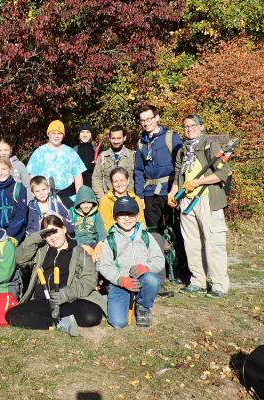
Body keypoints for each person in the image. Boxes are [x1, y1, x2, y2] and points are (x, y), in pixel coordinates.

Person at [7, 214, 105, 335]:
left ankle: (55, 319)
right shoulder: (40, 250)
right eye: (47, 234)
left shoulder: (80, 252)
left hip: (67, 301)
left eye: (55, 231)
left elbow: (89, 279)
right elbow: (20, 258)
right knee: (13, 315)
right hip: (42, 301)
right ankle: (57, 323)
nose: (52, 237)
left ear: (64, 229)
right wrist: (37, 237)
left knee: (92, 315)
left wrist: (66, 294)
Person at [168, 115, 230, 298]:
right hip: (187, 201)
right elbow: (179, 175)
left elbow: (222, 174)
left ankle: (219, 285)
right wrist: (173, 193)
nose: (189, 129)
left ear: (201, 126)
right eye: (186, 126)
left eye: (193, 126)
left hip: (207, 200)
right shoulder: (182, 150)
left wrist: (198, 182)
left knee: (213, 243)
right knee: (192, 243)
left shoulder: (211, 145)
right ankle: (198, 281)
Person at [98, 196, 164, 328]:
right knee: (118, 323)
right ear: (115, 218)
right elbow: (104, 266)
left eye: (130, 214)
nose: (126, 219)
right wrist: (120, 280)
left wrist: (146, 267)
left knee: (152, 280)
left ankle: (143, 306)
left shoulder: (146, 236)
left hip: (142, 279)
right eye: (121, 215)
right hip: (120, 282)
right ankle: (117, 298)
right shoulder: (110, 239)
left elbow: (159, 260)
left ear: (138, 216)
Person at [134, 105, 182, 250]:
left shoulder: (171, 137)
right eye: (142, 120)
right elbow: (138, 171)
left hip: (169, 191)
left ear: (157, 118)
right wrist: (140, 196)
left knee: (174, 230)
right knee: (152, 231)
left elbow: (180, 166)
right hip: (149, 193)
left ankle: (179, 268)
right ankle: (158, 268)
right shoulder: (141, 143)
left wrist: (176, 190)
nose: (146, 123)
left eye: (149, 119)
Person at [27, 120, 86, 207]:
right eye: (53, 133)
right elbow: (32, 178)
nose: (56, 136)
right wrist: (32, 197)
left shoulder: (70, 152)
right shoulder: (39, 153)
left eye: (59, 133)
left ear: (63, 135)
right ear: (48, 134)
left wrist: (79, 197)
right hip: (44, 197)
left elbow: (78, 176)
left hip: (67, 196)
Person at [0, 156, 28, 243]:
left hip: (15, 235)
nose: (1, 173)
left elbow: (21, 215)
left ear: (10, 169)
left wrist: (8, 234)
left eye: (4, 169)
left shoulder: (19, 188)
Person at [92, 125, 135, 201]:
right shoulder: (102, 157)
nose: (116, 141)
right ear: (109, 138)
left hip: (129, 200)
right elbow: (96, 178)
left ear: (124, 138)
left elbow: (138, 178)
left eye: (119, 138)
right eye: (113, 138)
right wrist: (102, 199)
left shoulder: (133, 156)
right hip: (108, 200)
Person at [71, 186, 107, 263]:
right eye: (83, 203)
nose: (86, 206)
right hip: (76, 244)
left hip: (92, 243)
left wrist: (100, 245)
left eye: (89, 202)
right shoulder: (72, 214)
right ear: (78, 202)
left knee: (100, 259)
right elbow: (70, 235)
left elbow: (102, 232)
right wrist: (84, 246)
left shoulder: (96, 213)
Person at [73, 123, 100, 188]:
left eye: (88, 132)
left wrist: (96, 165)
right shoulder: (74, 150)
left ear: (91, 135)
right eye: (82, 132)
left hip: (94, 187)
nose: (85, 135)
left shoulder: (97, 150)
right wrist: (87, 166)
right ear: (79, 135)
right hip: (77, 187)